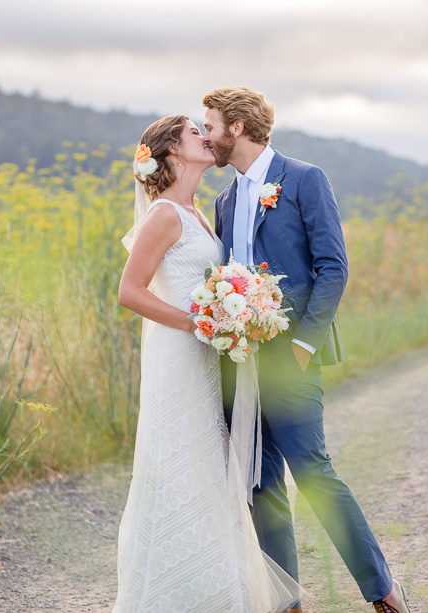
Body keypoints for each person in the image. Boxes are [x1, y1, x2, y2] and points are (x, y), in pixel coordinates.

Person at [203, 86, 410, 613]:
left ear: (239, 129)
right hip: (240, 364)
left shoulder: (303, 179)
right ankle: (286, 601)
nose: (206, 136)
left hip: (291, 355)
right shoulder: (224, 201)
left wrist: (303, 344)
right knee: (261, 482)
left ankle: (382, 590)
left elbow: (332, 267)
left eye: (211, 125)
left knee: (314, 473)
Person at [114, 114, 300, 612]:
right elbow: (129, 292)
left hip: (203, 355)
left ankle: (214, 587)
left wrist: (232, 314)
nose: (207, 137)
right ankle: (172, 590)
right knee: (179, 459)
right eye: (196, 132)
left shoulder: (196, 212)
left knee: (208, 465)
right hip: (177, 354)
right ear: (173, 151)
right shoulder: (162, 216)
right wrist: (198, 323)